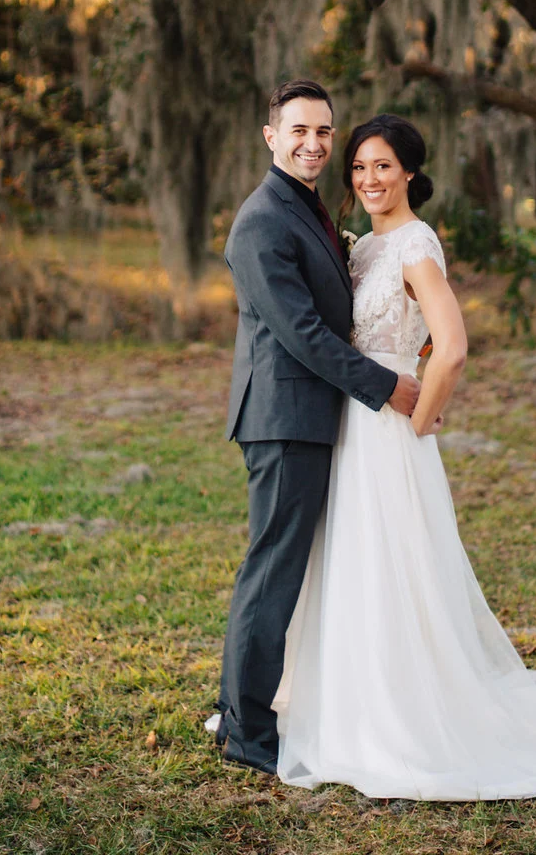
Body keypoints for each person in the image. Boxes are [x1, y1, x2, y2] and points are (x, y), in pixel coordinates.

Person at [274, 113, 536, 799]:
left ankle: (400, 717)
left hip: (387, 428)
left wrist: (419, 416)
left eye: (382, 166)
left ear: (410, 172)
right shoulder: (361, 250)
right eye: (358, 167)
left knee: (391, 564)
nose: (368, 178)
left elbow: (453, 342)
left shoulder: (414, 244)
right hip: (348, 419)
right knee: (351, 558)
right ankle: (348, 698)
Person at [210, 82, 422, 775]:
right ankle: (246, 734)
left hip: (310, 415)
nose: (314, 143)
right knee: (272, 573)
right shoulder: (261, 220)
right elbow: (300, 332)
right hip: (285, 418)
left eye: (324, 131)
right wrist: (387, 385)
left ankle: (255, 713)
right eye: (299, 130)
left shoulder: (308, 208)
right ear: (269, 135)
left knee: (286, 572)